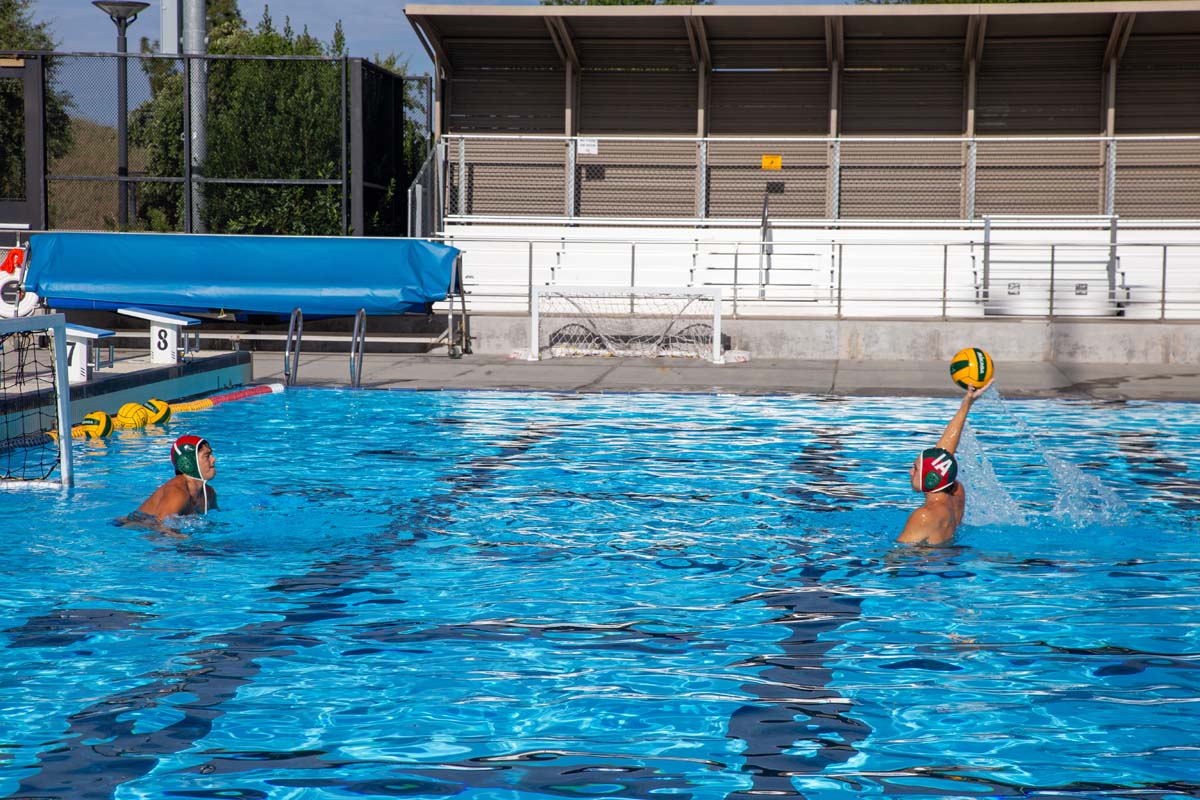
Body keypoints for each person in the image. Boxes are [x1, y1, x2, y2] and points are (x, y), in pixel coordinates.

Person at [897, 381, 992, 545]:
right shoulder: (956, 493)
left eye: (915, 468)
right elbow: (943, 456)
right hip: (950, 557)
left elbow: (897, 557)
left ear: (931, 478)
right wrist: (966, 406)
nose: (910, 472)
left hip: (928, 565)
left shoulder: (923, 515)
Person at [126, 435, 218, 528]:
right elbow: (161, 532)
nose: (214, 459)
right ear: (188, 462)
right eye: (207, 456)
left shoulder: (209, 493)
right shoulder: (177, 493)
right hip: (130, 530)